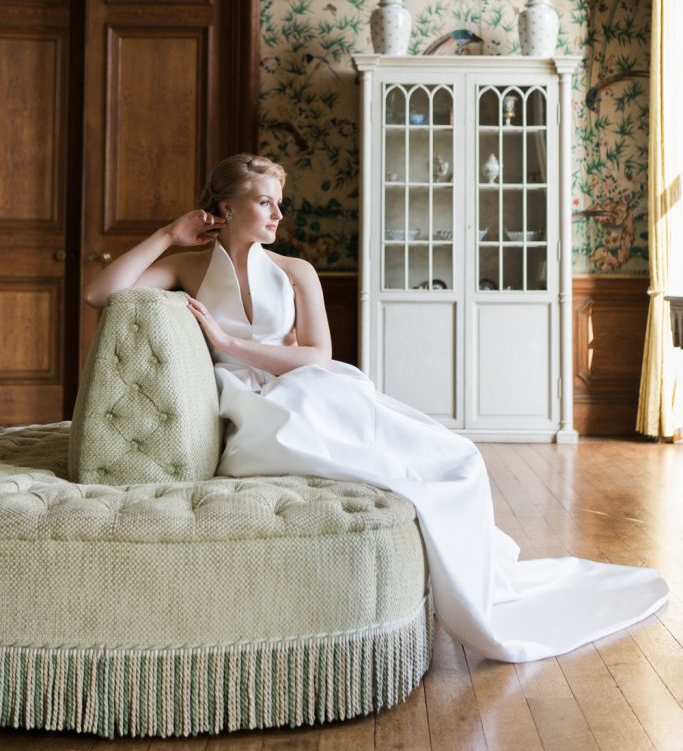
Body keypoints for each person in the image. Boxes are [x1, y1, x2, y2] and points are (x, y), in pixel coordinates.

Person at [84, 153, 668, 663]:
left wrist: (229, 344)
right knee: (313, 433)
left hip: (309, 382)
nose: (278, 215)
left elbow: (317, 354)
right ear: (226, 207)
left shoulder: (296, 271)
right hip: (245, 401)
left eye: (279, 203)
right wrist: (168, 233)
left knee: (453, 458)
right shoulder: (187, 267)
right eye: (264, 202)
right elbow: (99, 295)